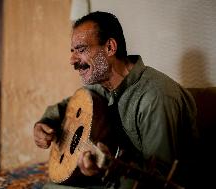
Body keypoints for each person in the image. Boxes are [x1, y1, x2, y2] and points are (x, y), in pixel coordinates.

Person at [33, 11, 198, 189]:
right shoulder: (101, 87)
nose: (72, 60)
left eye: (81, 50)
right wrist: (45, 122)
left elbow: (160, 179)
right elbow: (68, 106)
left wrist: (107, 170)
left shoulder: (155, 97)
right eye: (72, 51)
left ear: (110, 47)